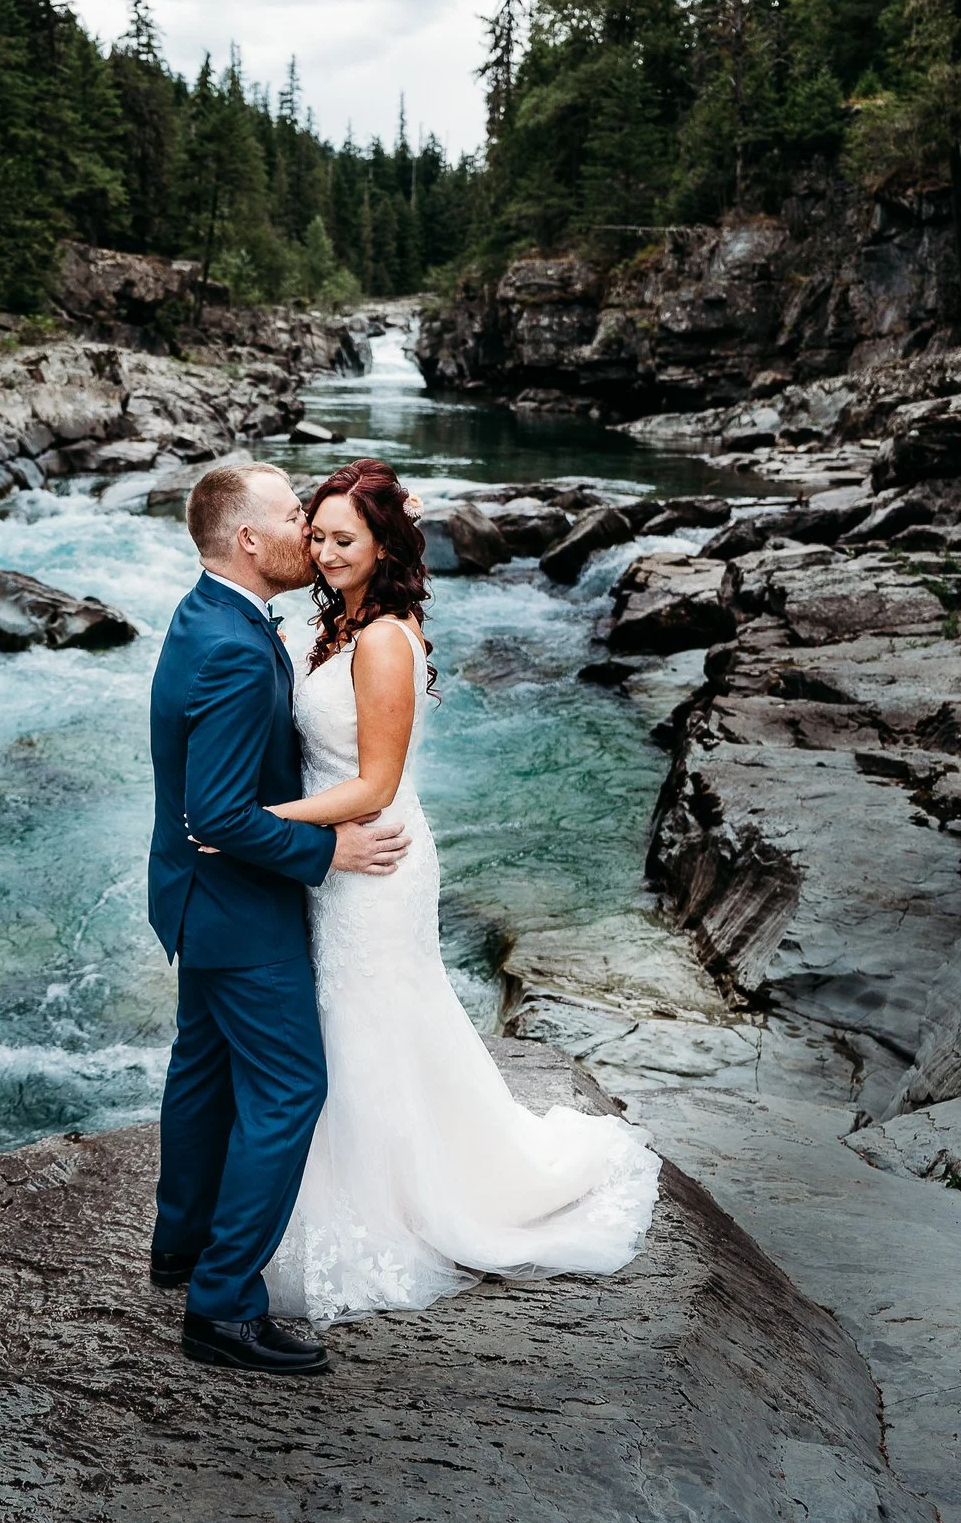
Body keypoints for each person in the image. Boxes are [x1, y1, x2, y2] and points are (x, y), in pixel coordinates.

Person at [255, 456, 660, 1328]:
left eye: (344, 539)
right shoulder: (337, 621)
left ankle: (394, 1208)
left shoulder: (387, 640)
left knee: (367, 1021)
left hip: (376, 855)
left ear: (383, 544)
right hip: (342, 853)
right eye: (317, 536)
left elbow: (375, 782)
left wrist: (259, 818)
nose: (324, 553)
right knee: (350, 1022)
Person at [144, 461, 409, 1376]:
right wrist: (327, 853)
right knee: (291, 1089)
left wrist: (388, 522)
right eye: (297, 516)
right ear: (250, 541)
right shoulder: (230, 646)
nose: (310, 529)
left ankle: (178, 1247)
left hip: (193, 900)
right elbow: (216, 815)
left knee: (204, 1070)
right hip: (238, 905)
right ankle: (221, 1305)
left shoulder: (210, 613)